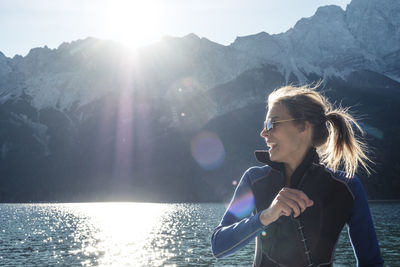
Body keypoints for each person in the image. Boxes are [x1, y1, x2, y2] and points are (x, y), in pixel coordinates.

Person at [211, 84, 383, 266]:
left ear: (303, 127)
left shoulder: (348, 187)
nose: (263, 133)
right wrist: (268, 215)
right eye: (264, 125)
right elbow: (218, 245)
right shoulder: (254, 179)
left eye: (272, 124)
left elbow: (371, 262)